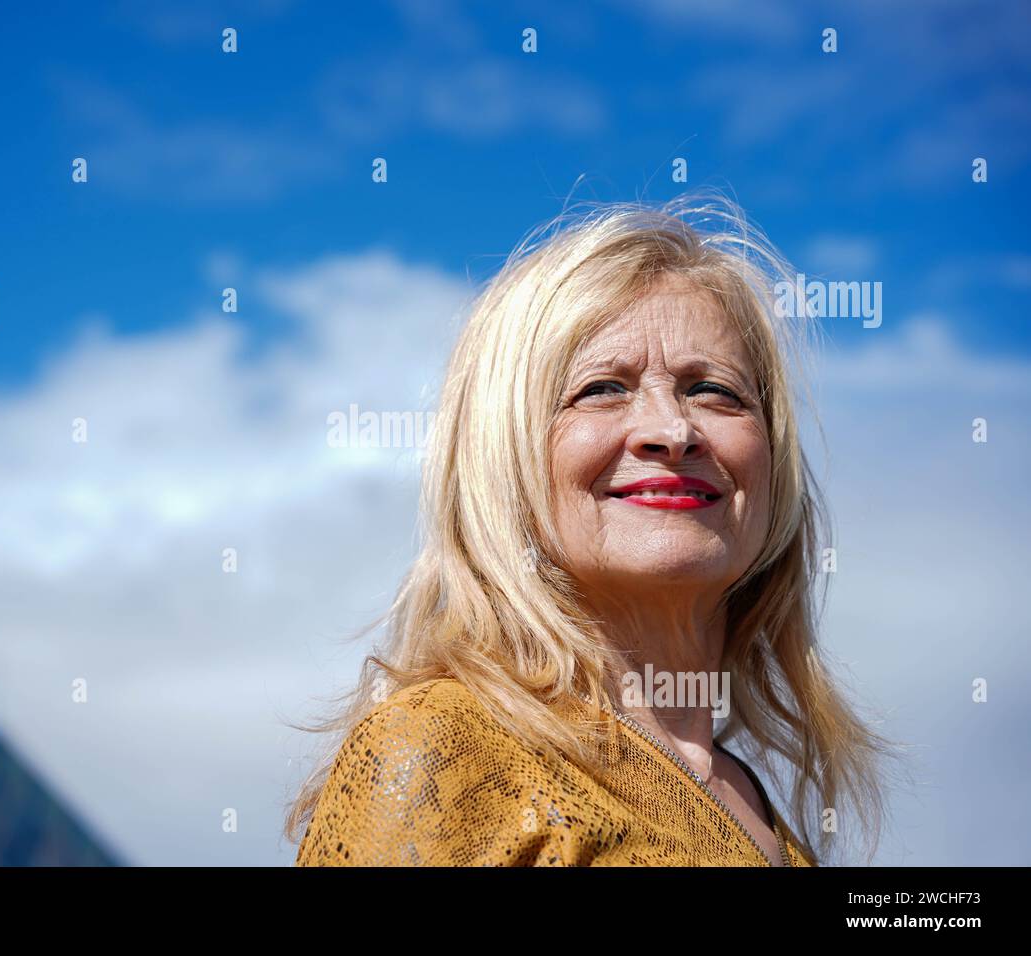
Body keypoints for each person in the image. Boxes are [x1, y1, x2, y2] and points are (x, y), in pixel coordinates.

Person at [286, 194, 890, 866]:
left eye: (714, 390)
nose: (672, 430)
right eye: (602, 388)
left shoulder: (768, 820)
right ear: (503, 458)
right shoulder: (445, 750)